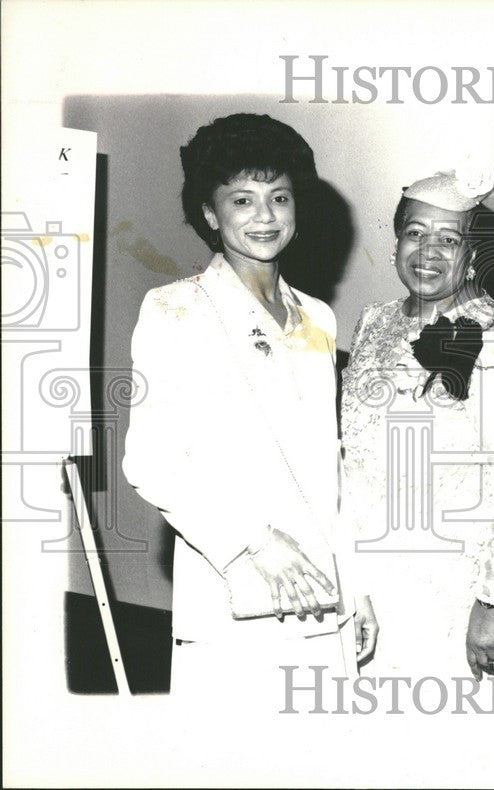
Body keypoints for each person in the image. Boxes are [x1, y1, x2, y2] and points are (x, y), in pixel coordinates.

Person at [122, 113, 377, 698]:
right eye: (242, 198)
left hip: (323, 601)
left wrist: (356, 587)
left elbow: (329, 470)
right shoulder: (175, 309)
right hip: (237, 593)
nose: (264, 216)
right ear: (210, 214)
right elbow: (151, 462)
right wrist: (257, 543)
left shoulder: (318, 317)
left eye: (279, 197)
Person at [339, 164, 494, 679]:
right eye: (415, 233)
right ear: (395, 242)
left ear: (472, 256)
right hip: (366, 582)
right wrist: (350, 578)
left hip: (451, 590)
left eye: (448, 240)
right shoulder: (373, 321)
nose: (427, 252)